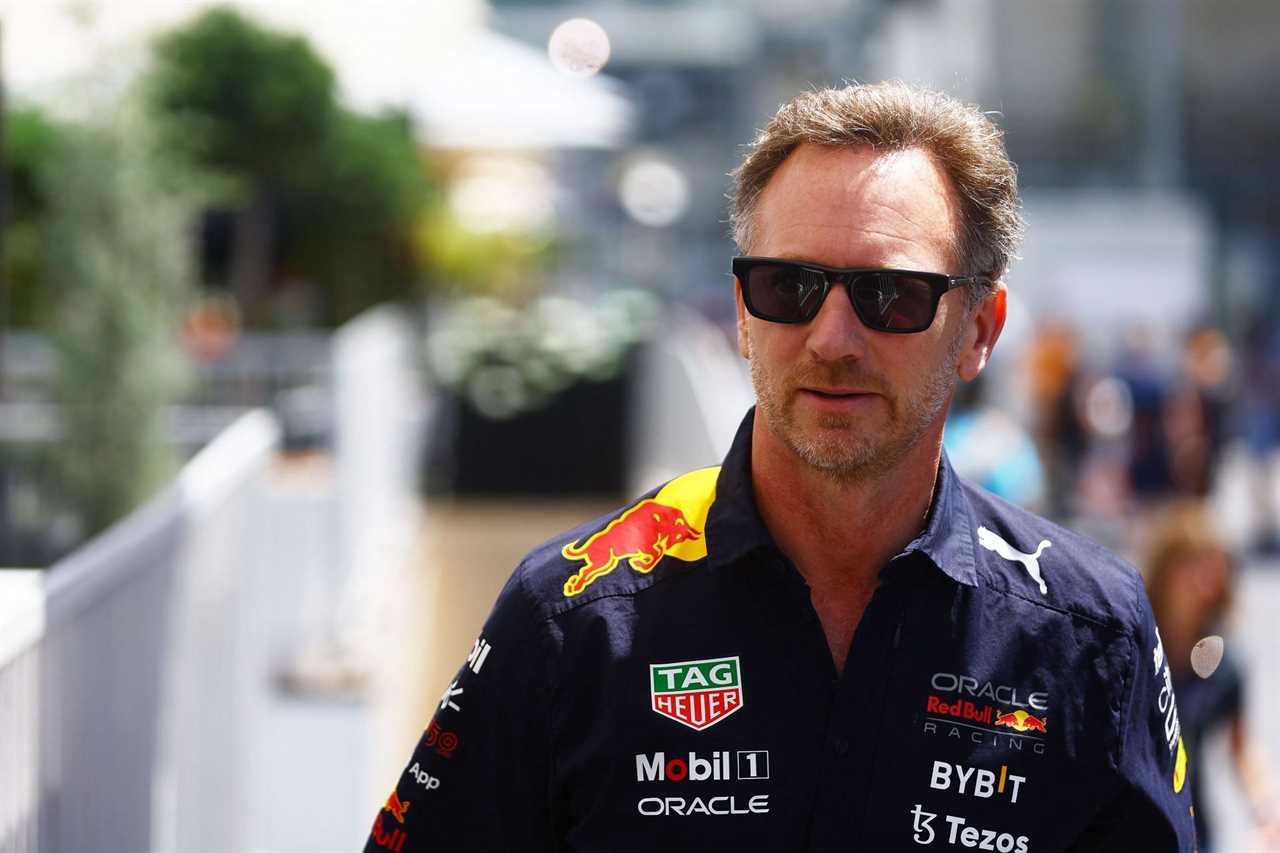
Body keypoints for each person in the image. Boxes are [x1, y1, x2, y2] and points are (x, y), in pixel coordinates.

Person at [363, 81, 1196, 852]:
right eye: (787, 286)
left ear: (980, 327)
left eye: (890, 295)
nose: (831, 340)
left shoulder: (1094, 635)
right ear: (742, 313)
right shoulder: (571, 614)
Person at [1143, 503, 1280, 851]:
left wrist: (1266, 811)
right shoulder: (1135, 644)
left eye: (1212, 569)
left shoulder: (1222, 663)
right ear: (1165, 570)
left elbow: (1240, 747)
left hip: (1191, 824)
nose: (1203, 582)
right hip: (1128, 814)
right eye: (1191, 568)